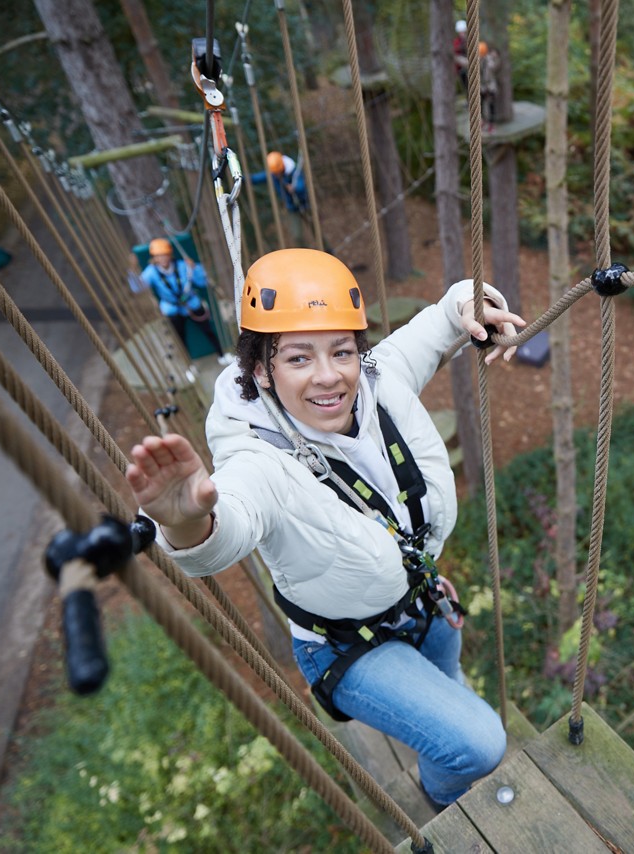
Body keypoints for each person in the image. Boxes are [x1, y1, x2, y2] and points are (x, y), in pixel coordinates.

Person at [125, 249, 526, 806]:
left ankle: (438, 718)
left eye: (342, 350)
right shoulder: (257, 458)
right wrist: (188, 521)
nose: (328, 375)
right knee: (477, 746)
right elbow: (233, 522)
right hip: (344, 647)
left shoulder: (377, 381)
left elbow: (439, 320)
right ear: (260, 370)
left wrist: (469, 301)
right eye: (298, 358)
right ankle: (445, 806)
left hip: (422, 602)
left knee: (449, 679)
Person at [137, 238, 229, 363]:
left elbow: (202, 282)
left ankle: (222, 355)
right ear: (154, 258)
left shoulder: (183, 266)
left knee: (208, 330)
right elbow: (139, 287)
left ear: (170, 255)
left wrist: (195, 268)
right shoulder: (151, 272)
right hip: (172, 308)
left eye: (165, 255)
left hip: (191, 303)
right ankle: (189, 365)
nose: (163, 259)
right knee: (179, 337)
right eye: (159, 256)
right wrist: (133, 280)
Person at [252, 152, 310, 248]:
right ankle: (305, 255)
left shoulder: (294, 171)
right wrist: (241, 178)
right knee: (297, 236)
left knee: (316, 230)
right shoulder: (273, 174)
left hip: (304, 204)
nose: (277, 174)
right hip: (292, 208)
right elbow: (256, 179)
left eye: (278, 172)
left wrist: (294, 188)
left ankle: (328, 250)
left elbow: (301, 186)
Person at [478, 42, 501, 132]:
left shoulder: (489, 60)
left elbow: (493, 67)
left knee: (491, 105)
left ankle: (491, 124)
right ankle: (483, 120)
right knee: (481, 104)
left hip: (490, 86)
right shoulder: (478, 60)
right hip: (482, 86)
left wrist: (493, 58)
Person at [452, 20, 468, 91]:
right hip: (461, 69)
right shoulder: (456, 41)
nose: (462, 34)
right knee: (466, 86)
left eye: (463, 32)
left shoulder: (468, 40)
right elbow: (455, 53)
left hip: (468, 66)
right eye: (461, 32)